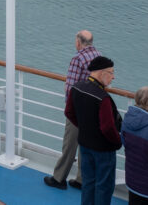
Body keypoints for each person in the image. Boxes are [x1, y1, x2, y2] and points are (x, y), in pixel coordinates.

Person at [45, 29, 101, 190]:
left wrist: (69, 108)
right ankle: (82, 179)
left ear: (78, 42)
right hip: (94, 108)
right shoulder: (98, 55)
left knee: (70, 144)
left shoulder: (78, 58)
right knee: (86, 144)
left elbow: (71, 88)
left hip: (78, 109)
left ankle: (59, 178)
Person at [65, 55, 122, 205]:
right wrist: (117, 143)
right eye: (111, 73)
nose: (113, 77)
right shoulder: (103, 98)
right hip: (103, 150)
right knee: (104, 186)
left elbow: (69, 113)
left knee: (88, 182)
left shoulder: (76, 87)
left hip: (85, 144)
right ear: (102, 73)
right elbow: (108, 127)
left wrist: (84, 127)